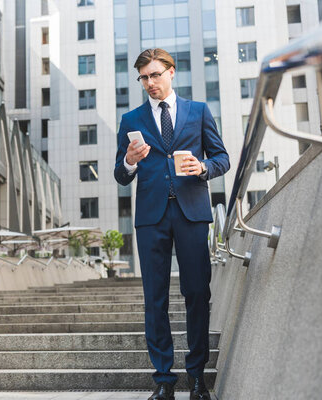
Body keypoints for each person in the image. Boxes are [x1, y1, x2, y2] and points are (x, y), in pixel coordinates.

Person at [114, 48, 230, 400]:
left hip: (192, 212)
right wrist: (130, 162)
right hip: (151, 219)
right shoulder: (131, 120)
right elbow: (120, 175)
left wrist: (204, 168)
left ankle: (196, 378)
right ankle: (164, 380)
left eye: (155, 75)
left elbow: (222, 157)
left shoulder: (198, 112)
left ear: (171, 73)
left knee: (197, 293)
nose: (150, 83)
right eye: (144, 78)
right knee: (155, 299)